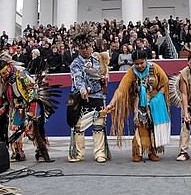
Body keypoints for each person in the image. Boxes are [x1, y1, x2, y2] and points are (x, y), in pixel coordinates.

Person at [107, 49, 170, 162]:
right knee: (140, 126)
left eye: (141, 63)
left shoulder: (155, 68)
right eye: (136, 64)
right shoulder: (131, 72)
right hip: (139, 105)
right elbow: (121, 89)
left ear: (146, 60)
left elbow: (164, 83)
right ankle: (138, 151)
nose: (139, 66)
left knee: (153, 127)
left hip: (155, 103)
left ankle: (152, 151)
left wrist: (159, 96)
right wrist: (112, 103)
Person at [0, 54, 56, 163]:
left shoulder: (21, 73)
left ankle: (41, 152)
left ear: (9, 67)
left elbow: (31, 89)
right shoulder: (4, 79)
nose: (3, 75)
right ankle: (18, 153)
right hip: (15, 105)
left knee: (33, 129)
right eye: (1, 74)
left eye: (4, 73)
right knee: (14, 129)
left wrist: (32, 109)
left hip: (29, 103)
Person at [68, 28, 110, 163]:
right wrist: (82, 89)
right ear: (78, 49)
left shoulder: (100, 59)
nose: (85, 50)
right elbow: (77, 78)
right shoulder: (75, 64)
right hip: (80, 98)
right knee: (78, 126)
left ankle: (100, 153)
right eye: (82, 48)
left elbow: (105, 75)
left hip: (97, 97)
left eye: (87, 47)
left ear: (92, 46)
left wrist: (103, 79)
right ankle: (79, 153)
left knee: (99, 125)